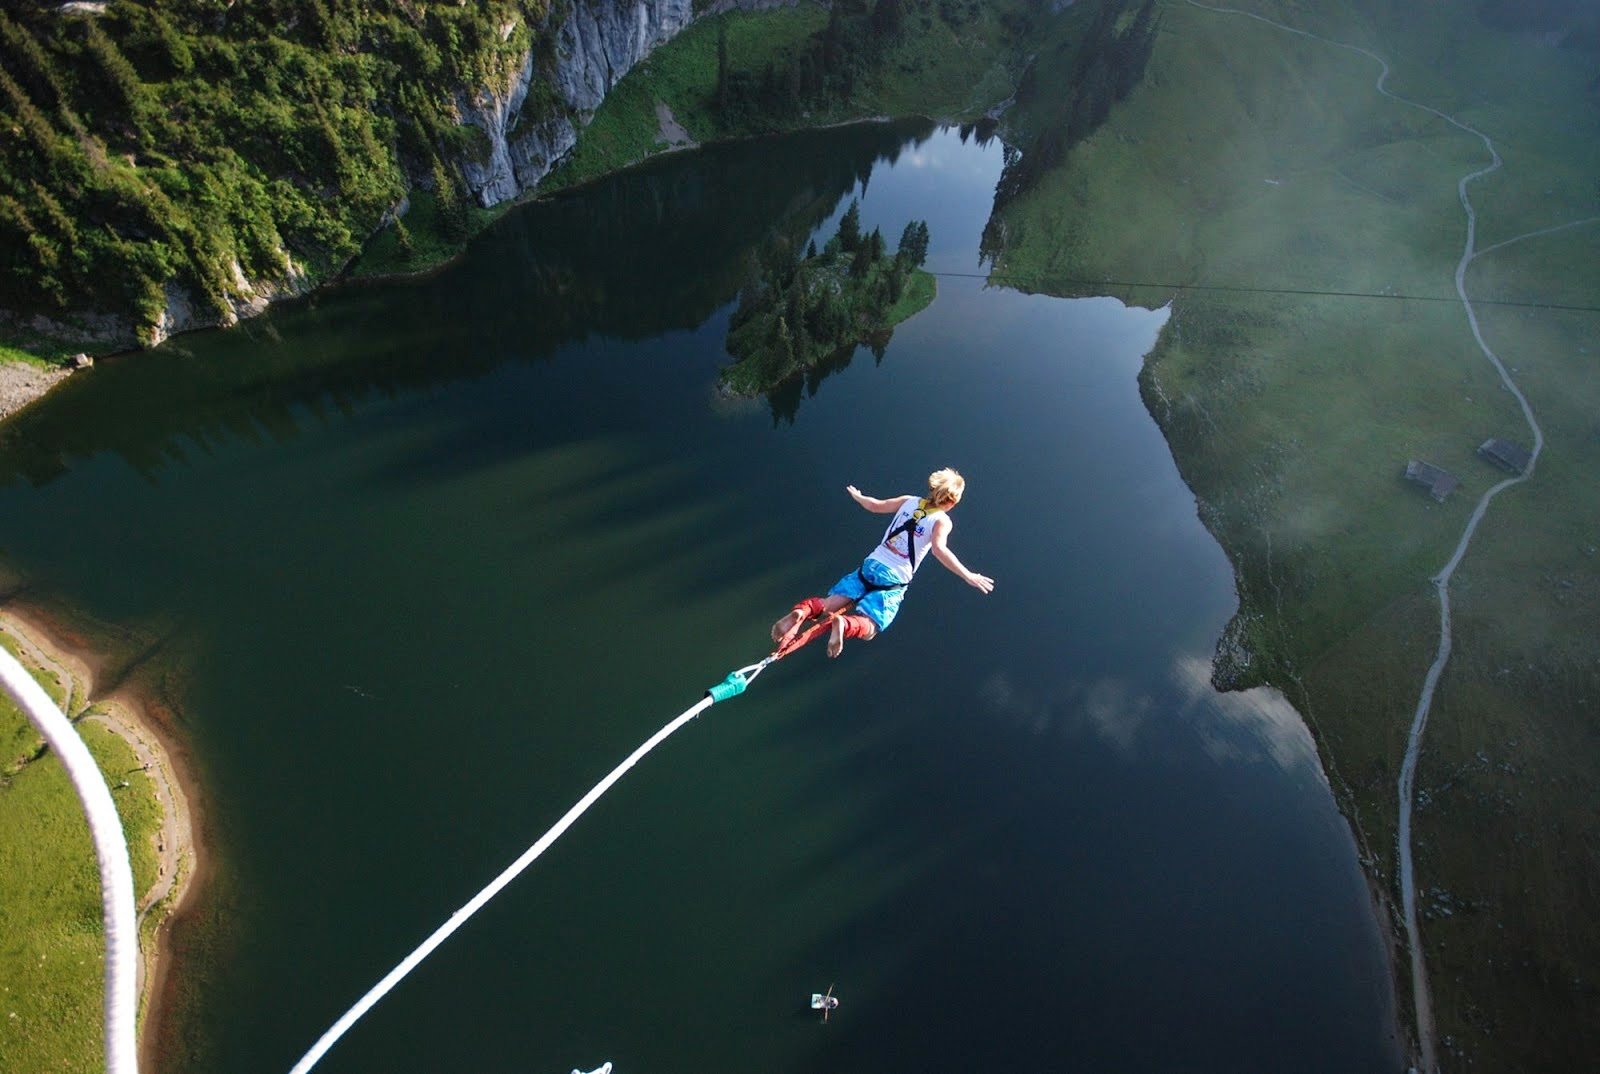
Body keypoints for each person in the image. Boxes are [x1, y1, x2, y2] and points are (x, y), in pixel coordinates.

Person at [771, 468, 995, 658]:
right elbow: (939, 550)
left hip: (871, 565)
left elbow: (875, 505)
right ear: (952, 502)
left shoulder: (909, 501)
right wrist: (968, 575)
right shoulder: (942, 520)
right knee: (871, 627)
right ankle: (845, 625)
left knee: (830, 603)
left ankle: (802, 612)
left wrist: (859, 497)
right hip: (894, 579)